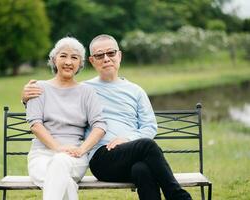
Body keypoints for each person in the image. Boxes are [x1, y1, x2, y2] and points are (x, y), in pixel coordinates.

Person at [22, 34, 192, 200]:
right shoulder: (85, 89)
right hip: (102, 156)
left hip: (131, 153)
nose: (106, 59)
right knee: (147, 145)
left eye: (111, 53)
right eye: (99, 55)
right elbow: (60, 95)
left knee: (142, 170)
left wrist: (127, 139)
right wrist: (25, 98)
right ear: (91, 61)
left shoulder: (136, 91)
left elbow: (149, 126)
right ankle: (178, 196)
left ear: (119, 55)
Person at [25, 36, 106, 200]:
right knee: (65, 182)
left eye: (74, 57)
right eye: (63, 56)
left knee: (61, 162)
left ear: (80, 64)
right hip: (41, 156)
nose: (68, 62)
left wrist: (82, 150)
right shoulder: (38, 88)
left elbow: (100, 126)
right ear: (54, 60)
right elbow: (35, 125)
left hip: (75, 157)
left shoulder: (87, 92)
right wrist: (58, 148)